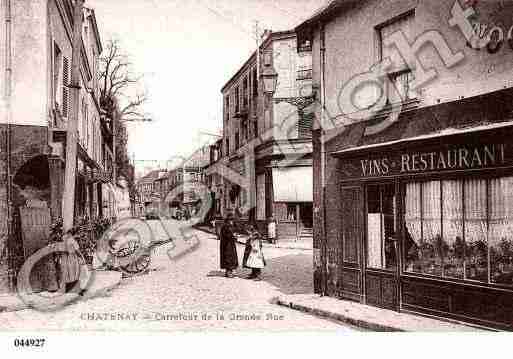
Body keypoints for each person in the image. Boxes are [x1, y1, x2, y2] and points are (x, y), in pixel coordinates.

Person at [219, 213, 238, 278]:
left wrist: (235, 235)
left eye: (232, 219)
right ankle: (228, 272)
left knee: (232, 257)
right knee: (227, 257)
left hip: (231, 243)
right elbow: (224, 235)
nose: (231, 221)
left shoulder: (232, 225)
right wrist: (232, 236)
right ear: (228, 220)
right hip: (226, 244)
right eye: (230, 219)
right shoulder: (225, 226)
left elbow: (236, 230)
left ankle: (232, 270)